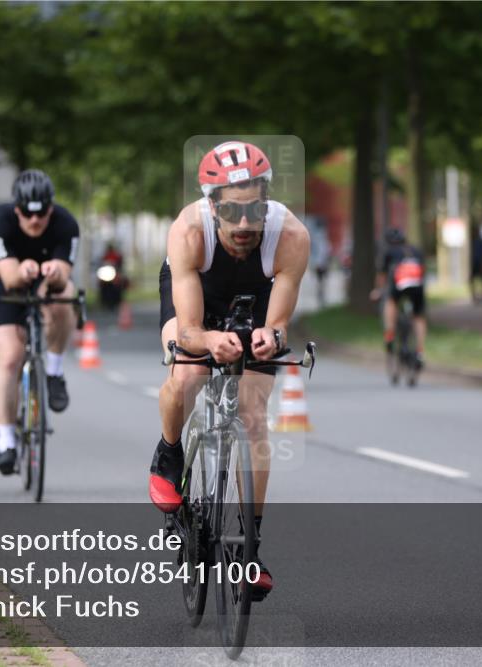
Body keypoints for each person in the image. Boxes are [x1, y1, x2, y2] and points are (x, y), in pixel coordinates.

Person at [149, 141, 310, 597]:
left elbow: (278, 325)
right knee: (188, 374)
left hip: (256, 295)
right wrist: (208, 342)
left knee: (254, 415)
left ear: (267, 199)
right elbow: (189, 330)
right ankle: (168, 451)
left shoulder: (291, 236)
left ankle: (250, 548)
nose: (244, 224)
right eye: (232, 212)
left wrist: (270, 337)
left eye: (255, 209)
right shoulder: (188, 231)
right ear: (212, 204)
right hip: (197, 290)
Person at [0, 169, 80, 475]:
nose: (35, 221)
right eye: (28, 213)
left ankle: (53, 371)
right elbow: (10, 276)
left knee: (67, 295)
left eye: (41, 214)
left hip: (47, 285)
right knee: (10, 357)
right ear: (17, 209)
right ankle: (7, 442)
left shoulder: (66, 224)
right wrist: (22, 271)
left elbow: (64, 275)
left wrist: (54, 274)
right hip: (8, 288)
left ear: (50, 208)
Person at [370, 227, 427, 368]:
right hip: (417, 285)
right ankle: (420, 351)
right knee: (418, 316)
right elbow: (422, 270)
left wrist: (378, 290)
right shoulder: (416, 251)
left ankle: (389, 336)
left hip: (399, 285)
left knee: (390, 302)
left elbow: (382, 275)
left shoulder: (388, 252)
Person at [306, 214, 331, 307]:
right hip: (321, 262)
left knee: (321, 281)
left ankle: (321, 295)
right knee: (321, 281)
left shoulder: (318, 236)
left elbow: (322, 250)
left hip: (320, 262)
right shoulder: (321, 236)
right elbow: (324, 250)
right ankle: (321, 295)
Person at [469, 225, 482, 303]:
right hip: (475, 262)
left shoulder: (481, 241)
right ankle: (475, 296)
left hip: (480, 262)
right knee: (473, 280)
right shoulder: (472, 241)